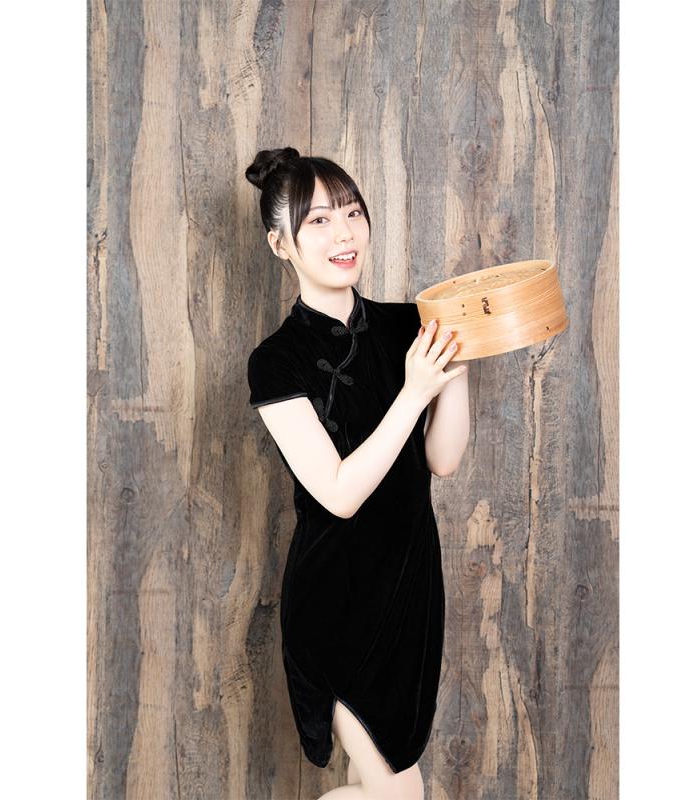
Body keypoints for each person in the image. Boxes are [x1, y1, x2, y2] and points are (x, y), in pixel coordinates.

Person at [244, 147, 470, 800]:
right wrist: (415, 390)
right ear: (280, 244)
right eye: (317, 221)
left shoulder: (408, 326)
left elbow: (442, 459)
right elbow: (339, 495)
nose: (343, 233)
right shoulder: (276, 360)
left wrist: (454, 369)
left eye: (351, 212)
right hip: (338, 602)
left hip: (411, 589)